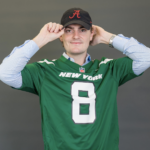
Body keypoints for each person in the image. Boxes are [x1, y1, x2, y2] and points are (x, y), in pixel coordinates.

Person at [0, 7, 150, 150]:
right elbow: (6, 72)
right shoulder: (45, 70)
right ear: (61, 36)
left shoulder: (109, 69)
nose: (76, 36)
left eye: (83, 30)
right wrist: (41, 39)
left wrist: (108, 37)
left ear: (92, 34)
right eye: (69, 30)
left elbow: (146, 57)